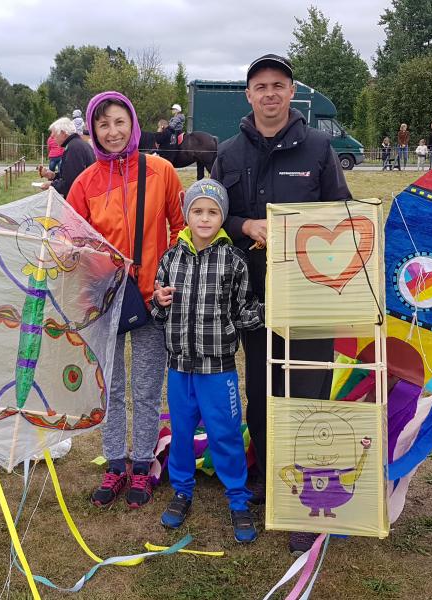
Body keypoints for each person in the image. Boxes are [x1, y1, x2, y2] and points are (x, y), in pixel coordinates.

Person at [210, 53, 351, 555]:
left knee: (308, 395)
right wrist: (245, 225)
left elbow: (345, 214)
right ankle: (271, 485)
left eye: (278, 85)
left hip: (312, 296)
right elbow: (211, 217)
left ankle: (308, 498)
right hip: (252, 298)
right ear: (248, 96)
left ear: (292, 93)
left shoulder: (318, 147)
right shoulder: (227, 154)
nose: (269, 93)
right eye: (260, 86)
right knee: (263, 394)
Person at [68, 91, 184, 509]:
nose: (113, 132)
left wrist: (166, 276)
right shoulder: (84, 184)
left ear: (132, 123)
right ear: (93, 131)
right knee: (111, 387)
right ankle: (115, 463)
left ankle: (143, 464)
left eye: (119, 121)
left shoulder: (162, 171)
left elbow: (180, 229)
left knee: (148, 387)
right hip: (106, 301)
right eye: (103, 125)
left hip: (154, 300)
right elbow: (74, 246)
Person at [152, 179, 263, 544]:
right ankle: (182, 491)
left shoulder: (235, 260)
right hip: (180, 366)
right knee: (182, 433)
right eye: (197, 211)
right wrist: (160, 302)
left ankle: (237, 497)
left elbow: (245, 311)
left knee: (226, 434)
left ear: (222, 216)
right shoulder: (171, 258)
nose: (204, 218)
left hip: (219, 370)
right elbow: (158, 307)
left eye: (212, 212)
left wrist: (274, 309)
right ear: (186, 215)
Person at [38, 117, 95, 198]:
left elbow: (71, 183)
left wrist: (52, 185)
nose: (53, 138)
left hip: (80, 200)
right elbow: (72, 174)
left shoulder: (73, 148)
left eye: (54, 135)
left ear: (63, 133)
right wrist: (53, 176)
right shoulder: (78, 144)